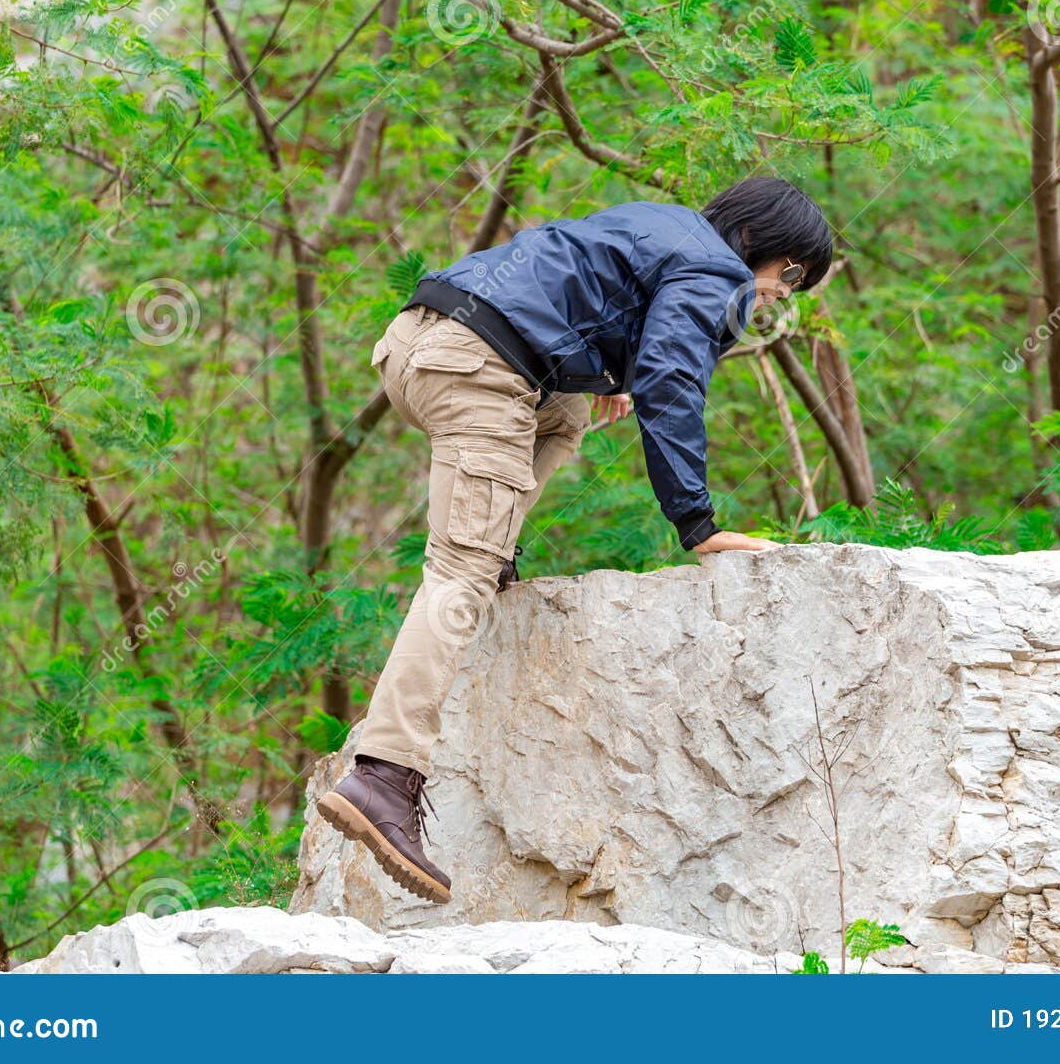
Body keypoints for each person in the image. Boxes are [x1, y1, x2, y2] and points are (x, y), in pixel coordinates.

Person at [315, 177, 835, 903]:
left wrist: (605, 369)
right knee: (460, 574)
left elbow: (570, 289)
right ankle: (384, 774)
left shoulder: (663, 225)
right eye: (791, 277)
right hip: (477, 368)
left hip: (418, 341)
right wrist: (700, 525)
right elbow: (671, 380)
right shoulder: (721, 272)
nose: (780, 296)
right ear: (762, 246)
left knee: (567, 412)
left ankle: (495, 540)